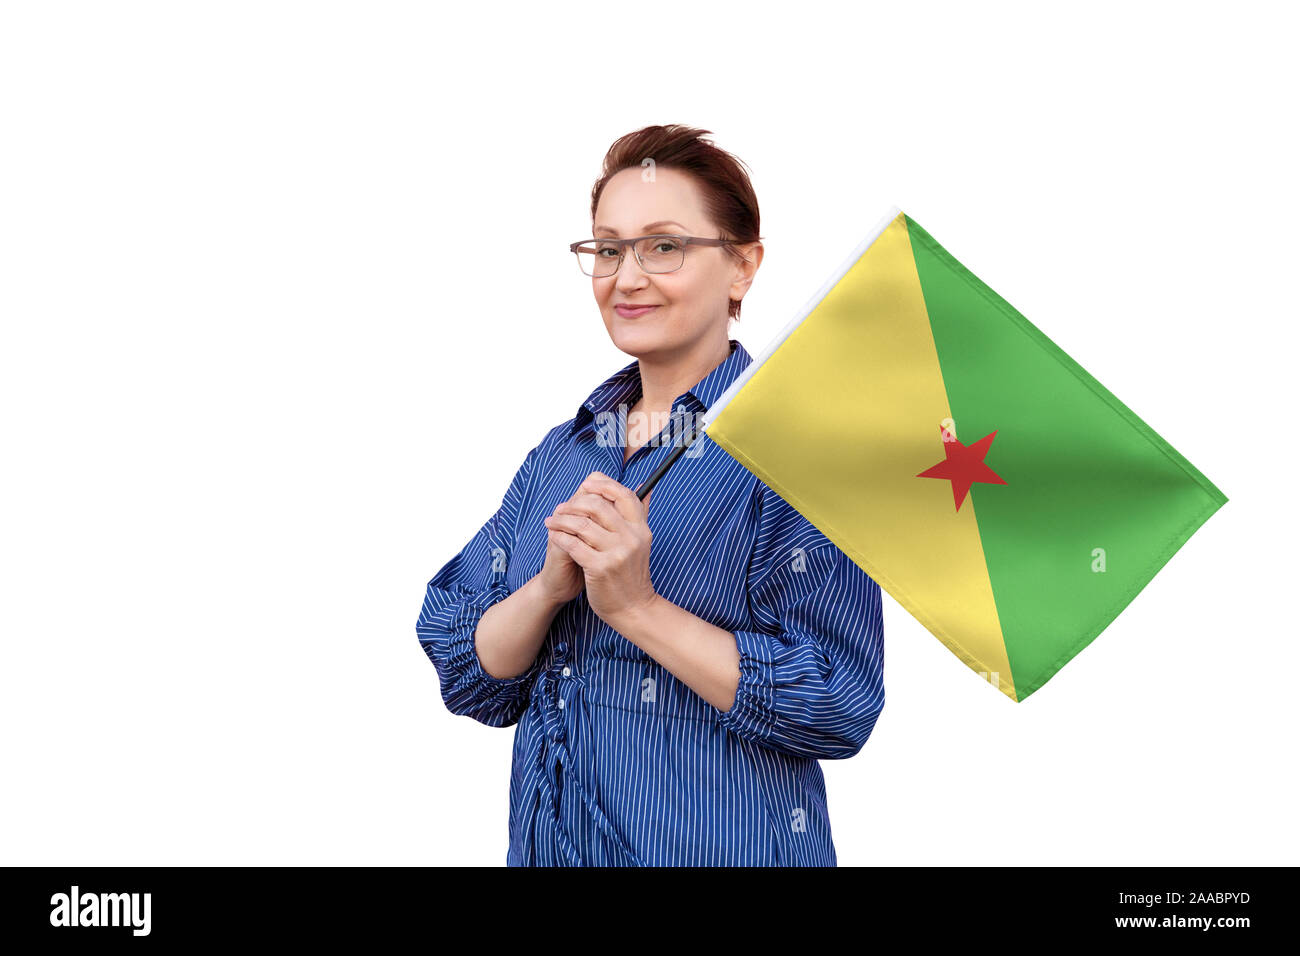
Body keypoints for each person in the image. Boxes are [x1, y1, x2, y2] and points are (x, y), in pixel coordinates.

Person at [415, 124, 885, 866]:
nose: (626, 277)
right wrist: (544, 591)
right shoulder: (563, 453)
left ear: (742, 267)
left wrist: (636, 607)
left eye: (663, 246)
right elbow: (469, 672)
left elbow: (837, 703)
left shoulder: (798, 459)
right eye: (607, 249)